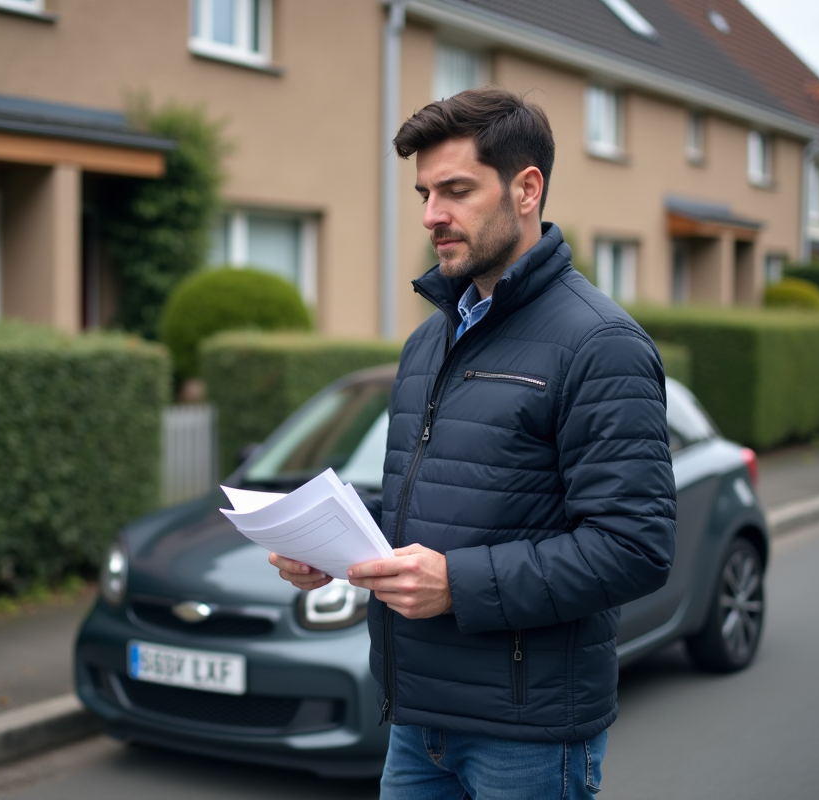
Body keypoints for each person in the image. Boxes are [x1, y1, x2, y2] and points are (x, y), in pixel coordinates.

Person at [270, 87, 676, 799]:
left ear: (527, 189)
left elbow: (634, 548)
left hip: (528, 735)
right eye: (425, 192)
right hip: (415, 723)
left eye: (455, 190)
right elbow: (431, 494)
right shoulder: (428, 342)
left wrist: (457, 584)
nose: (432, 215)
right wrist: (329, 546)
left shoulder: (600, 344)